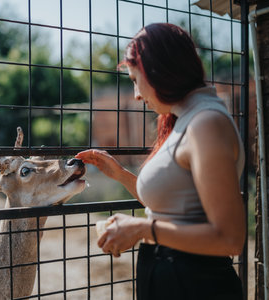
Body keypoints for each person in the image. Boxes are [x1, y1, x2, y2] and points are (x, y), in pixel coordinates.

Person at [76, 23, 245, 300]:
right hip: (177, 278)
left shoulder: (206, 124)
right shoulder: (186, 118)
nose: (136, 95)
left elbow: (230, 238)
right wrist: (119, 174)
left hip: (195, 284)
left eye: (134, 79)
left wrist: (142, 228)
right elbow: (175, 206)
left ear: (158, 71)